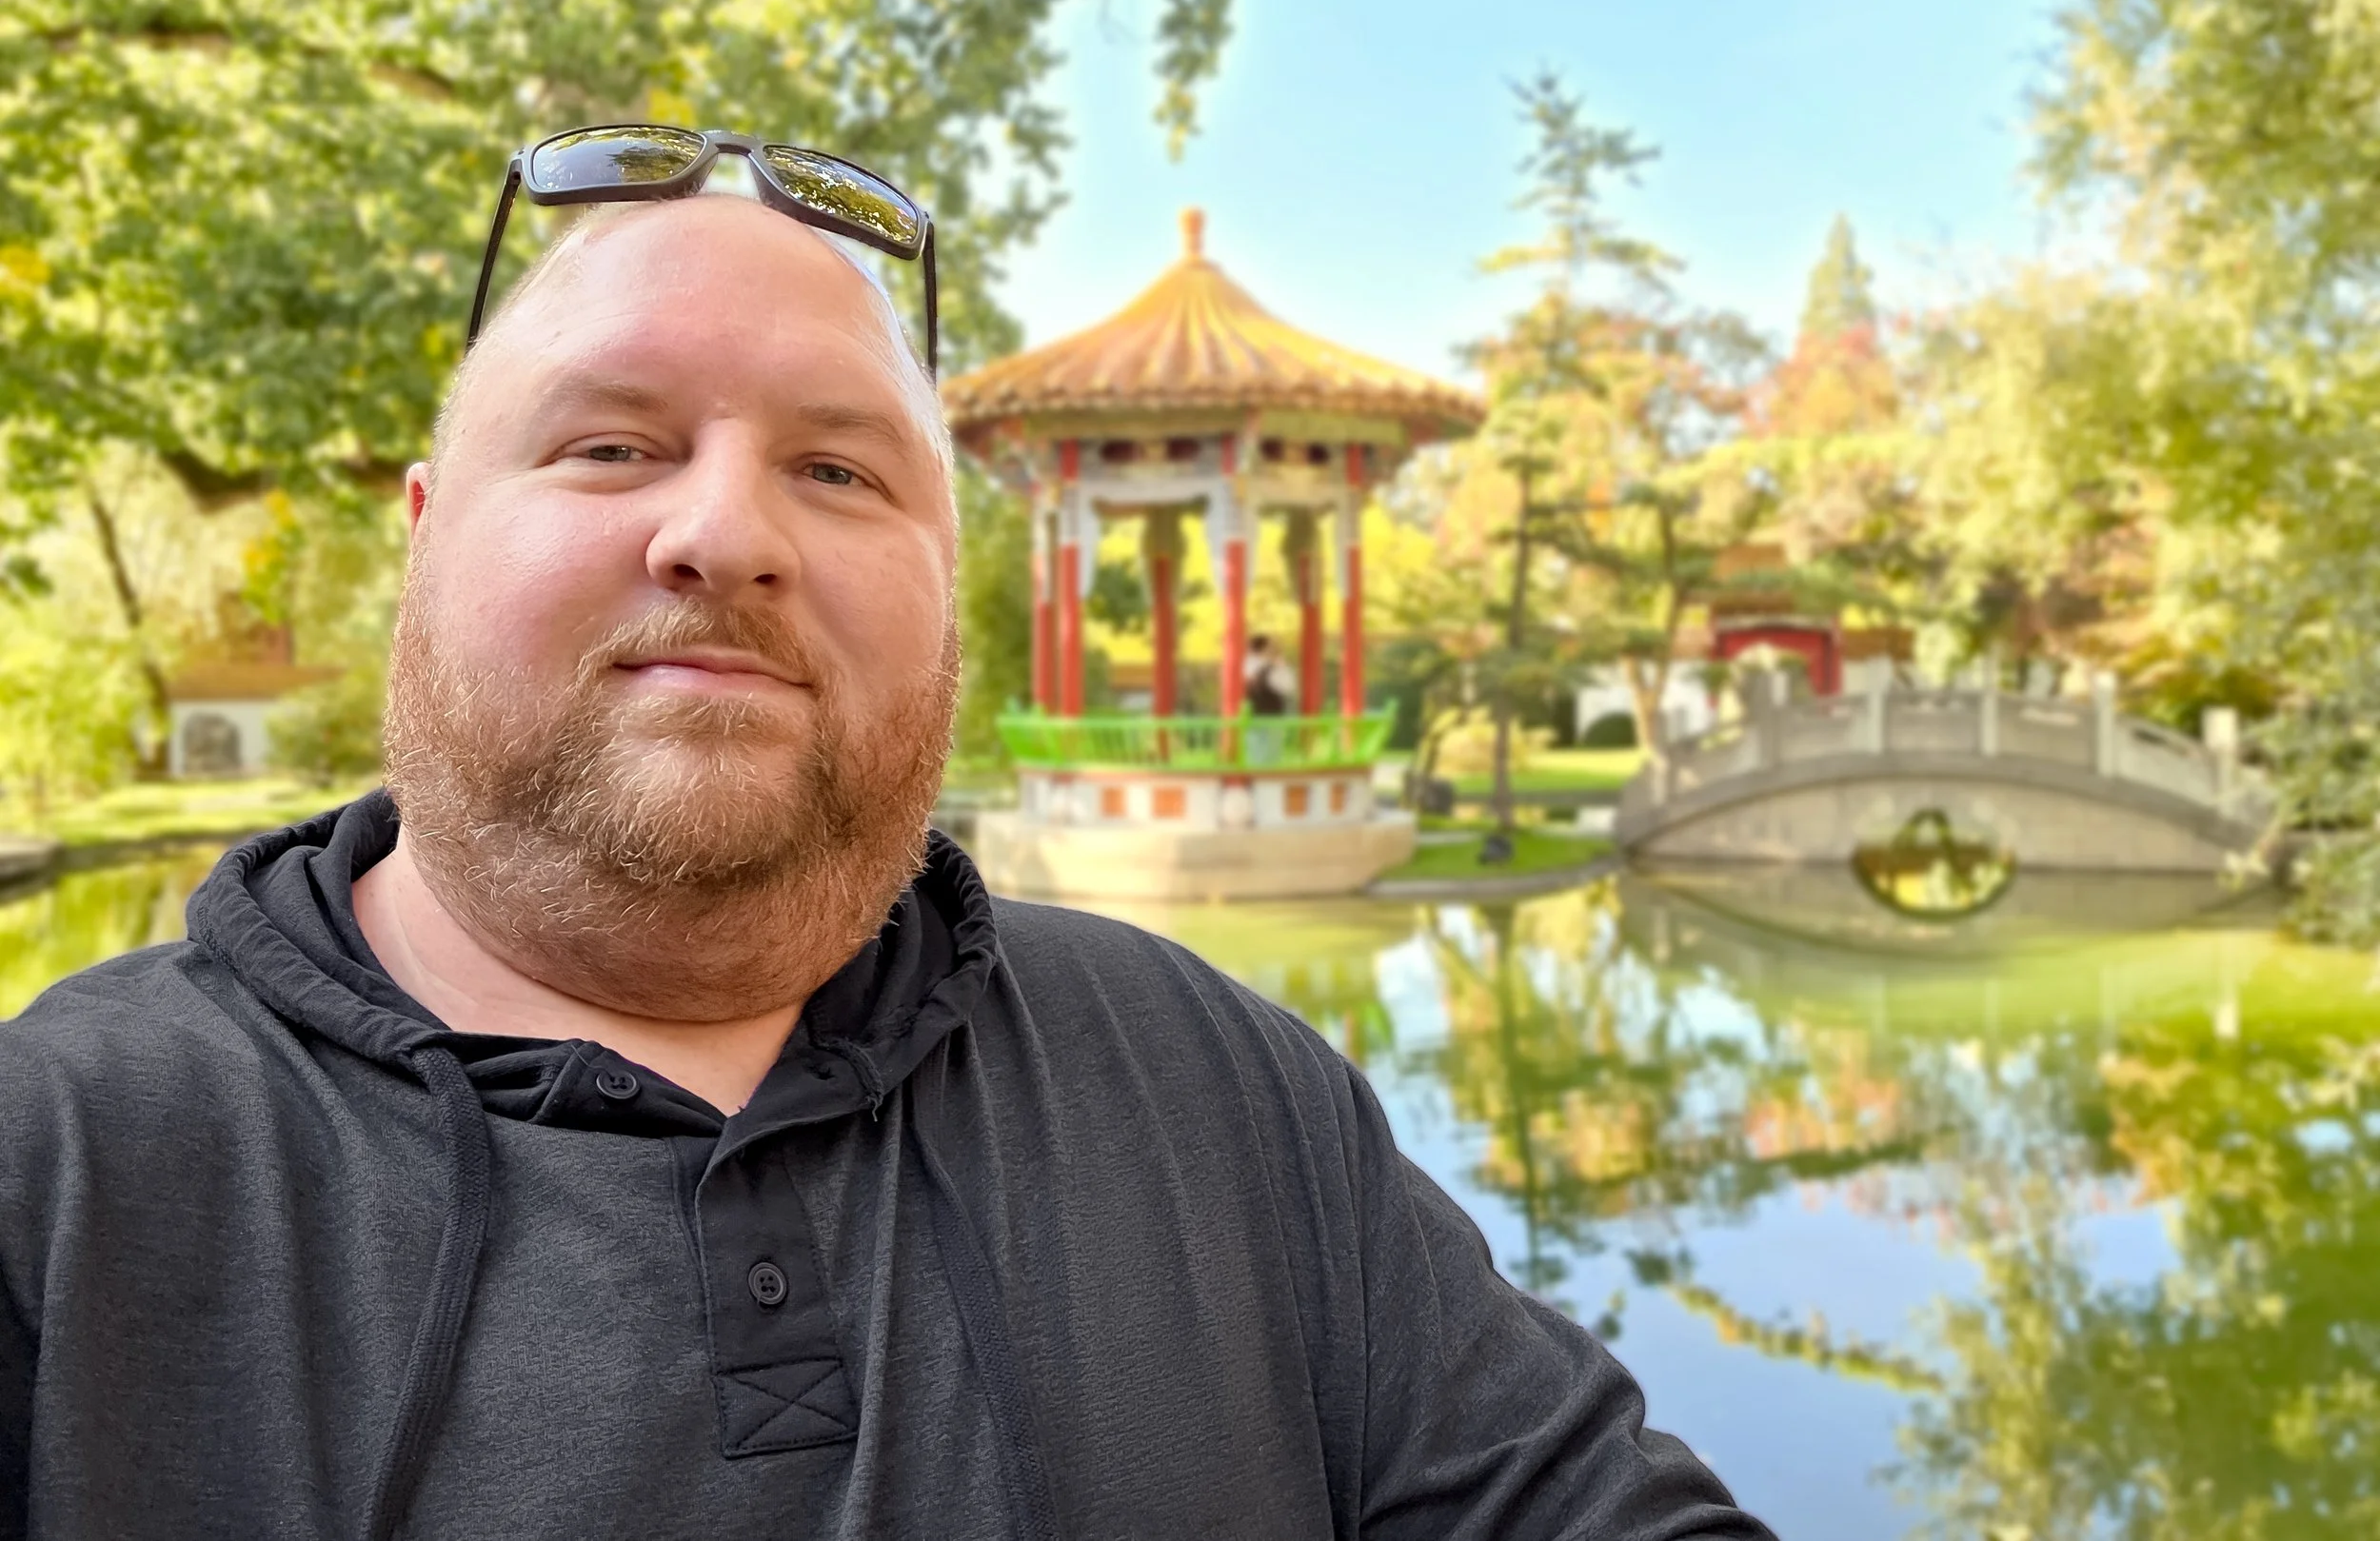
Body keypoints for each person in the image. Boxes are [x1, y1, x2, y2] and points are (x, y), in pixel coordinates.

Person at [0, 138, 1774, 1540]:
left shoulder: (1218, 1082)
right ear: (422, 528)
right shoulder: (56, 1161)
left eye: (842, 472)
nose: (725, 532)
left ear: (950, 592)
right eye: (613, 443)